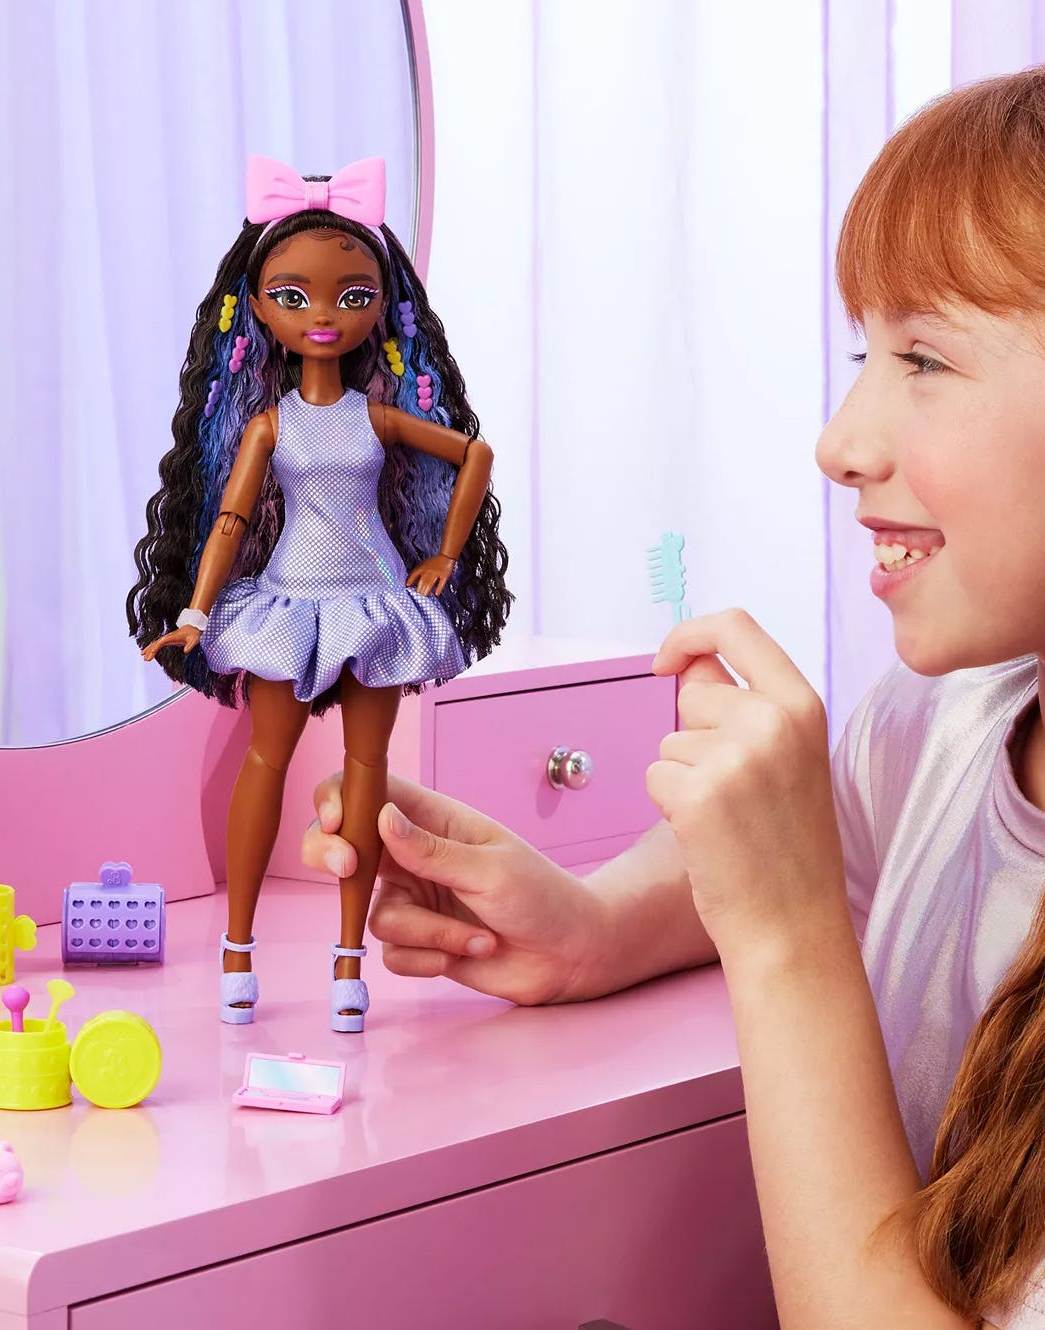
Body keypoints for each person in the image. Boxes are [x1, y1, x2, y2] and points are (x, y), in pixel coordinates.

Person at [304, 67, 1045, 1329]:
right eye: (864, 350)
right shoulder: (949, 728)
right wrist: (590, 924)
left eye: (923, 357)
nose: (838, 441)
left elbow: (807, 893)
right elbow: (835, 825)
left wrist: (787, 941)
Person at [126, 156, 511, 1032]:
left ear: (382, 307)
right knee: (265, 761)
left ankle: (348, 963)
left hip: (373, 601)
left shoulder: (375, 416)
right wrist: (193, 612)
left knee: (369, 775)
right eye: (294, 297)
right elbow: (229, 520)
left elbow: (473, 455)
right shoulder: (272, 423)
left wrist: (447, 554)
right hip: (288, 603)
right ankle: (238, 949)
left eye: (351, 294)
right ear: (257, 309)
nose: (325, 315)